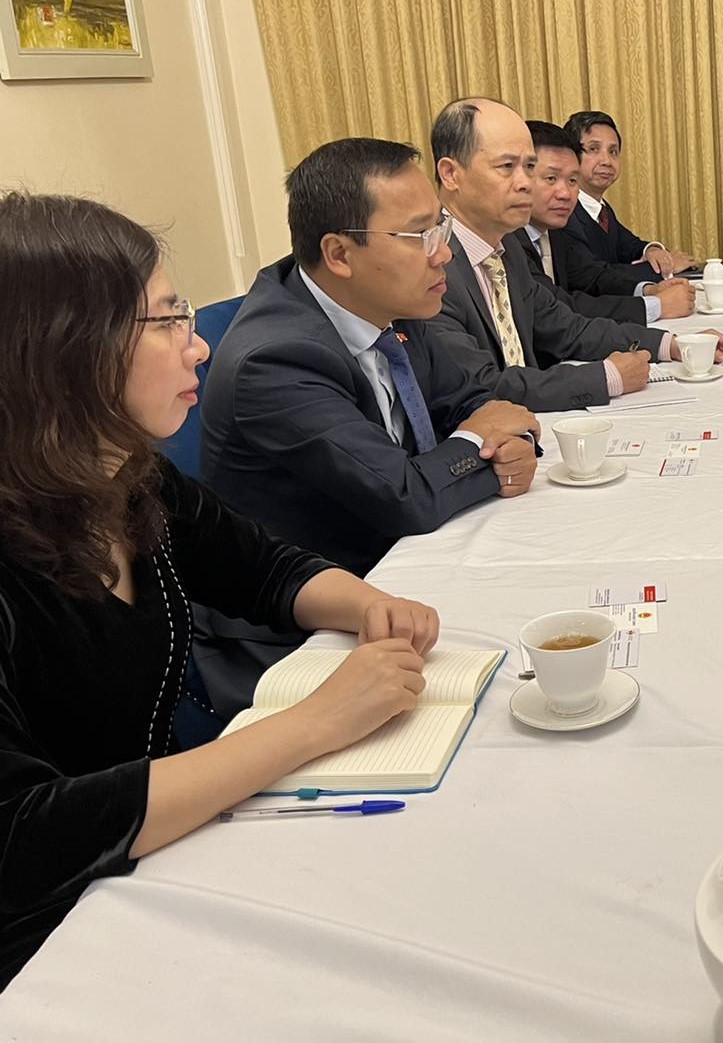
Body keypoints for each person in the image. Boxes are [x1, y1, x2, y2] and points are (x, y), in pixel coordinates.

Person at [0, 191, 443, 985]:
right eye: (167, 320)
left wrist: (368, 604)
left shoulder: (126, 474)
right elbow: (22, 835)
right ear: (62, 348)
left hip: (147, 859)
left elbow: (261, 566)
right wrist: (316, 721)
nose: (198, 345)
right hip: (45, 944)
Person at [198, 137, 539, 711]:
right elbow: (405, 497)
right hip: (301, 632)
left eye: (440, 228)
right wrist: (483, 448)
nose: (443, 254)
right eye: (420, 235)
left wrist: (507, 441)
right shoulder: (275, 360)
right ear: (339, 253)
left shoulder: (391, 303)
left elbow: (475, 403)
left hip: (401, 574)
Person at [425, 99, 723, 412]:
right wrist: (607, 377)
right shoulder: (429, 263)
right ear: (451, 174)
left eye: (529, 167)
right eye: (507, 167)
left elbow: (568, 328)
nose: (524, 183)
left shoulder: (506, 249)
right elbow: (480, 386)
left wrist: (670, 344)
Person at [515, 119, 695, 323]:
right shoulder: (508, 240)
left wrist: (648, 290)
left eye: (572, 180)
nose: (564, 193)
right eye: (551, 178)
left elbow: (592, 276)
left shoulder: (556, 229)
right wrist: (656, 305)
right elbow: (556, 307)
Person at [559, 109, 695, 278]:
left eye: (613, 152)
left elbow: (630, 246)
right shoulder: (563, 210)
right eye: (594, 149)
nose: (607, 161)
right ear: (571, 155)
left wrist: (653, 250)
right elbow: (592, 276)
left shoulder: (602, 210)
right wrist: (666, 267)